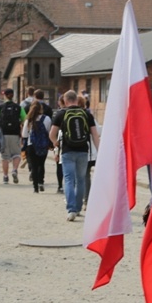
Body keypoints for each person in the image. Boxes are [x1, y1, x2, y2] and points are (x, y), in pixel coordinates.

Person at [49, 90, 100, 221]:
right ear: (77, 100)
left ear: (65, 101)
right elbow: (94, 134)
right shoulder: (86, 114)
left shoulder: (61, 114)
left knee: (69, 179)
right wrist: (99, 151)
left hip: (67, 151)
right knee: (81, 180)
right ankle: (77, 208)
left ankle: (70, 209)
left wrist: (56, 143)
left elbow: (52, 134)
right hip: (83, 150)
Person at [0, 88, 27, 184]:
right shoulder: (19, 107)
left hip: (3, 134)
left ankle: (5, 177)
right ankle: (14, 169)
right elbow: (25, 119)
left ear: (5, 95)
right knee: (17, 154)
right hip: (15, 134)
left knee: (5, 157)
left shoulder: (0, 107)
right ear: (13, 95)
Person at [21, 101, 51, 193]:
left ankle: (35, 187)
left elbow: (24, 135)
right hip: (43, 145)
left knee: (34, 166)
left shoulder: (28, 120)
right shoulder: (47, 119)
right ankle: (41, 182)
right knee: (41, 164)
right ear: (41, 109)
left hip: (31, 145)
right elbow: (49, 131)